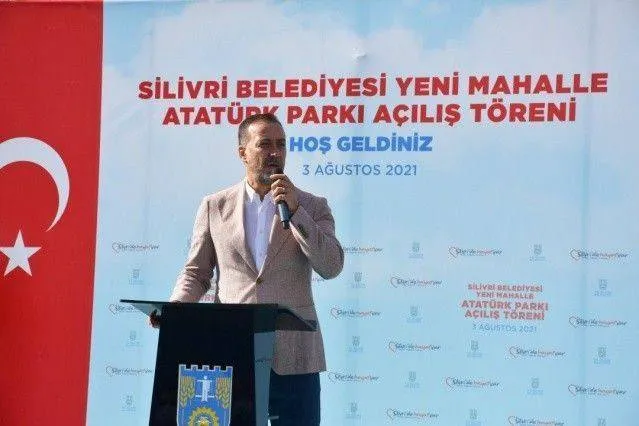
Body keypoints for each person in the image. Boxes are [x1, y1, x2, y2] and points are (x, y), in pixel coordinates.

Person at [167, 113, 344, 425]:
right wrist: (176, 311)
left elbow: (331, 265)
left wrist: (297, 212)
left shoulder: (312, 206)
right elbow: (196, 273)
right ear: (243, 153)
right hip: (232, 353)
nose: (275, 152)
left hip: (295, 359)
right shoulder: (214, 206)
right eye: (264, 144)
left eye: (281, 144)